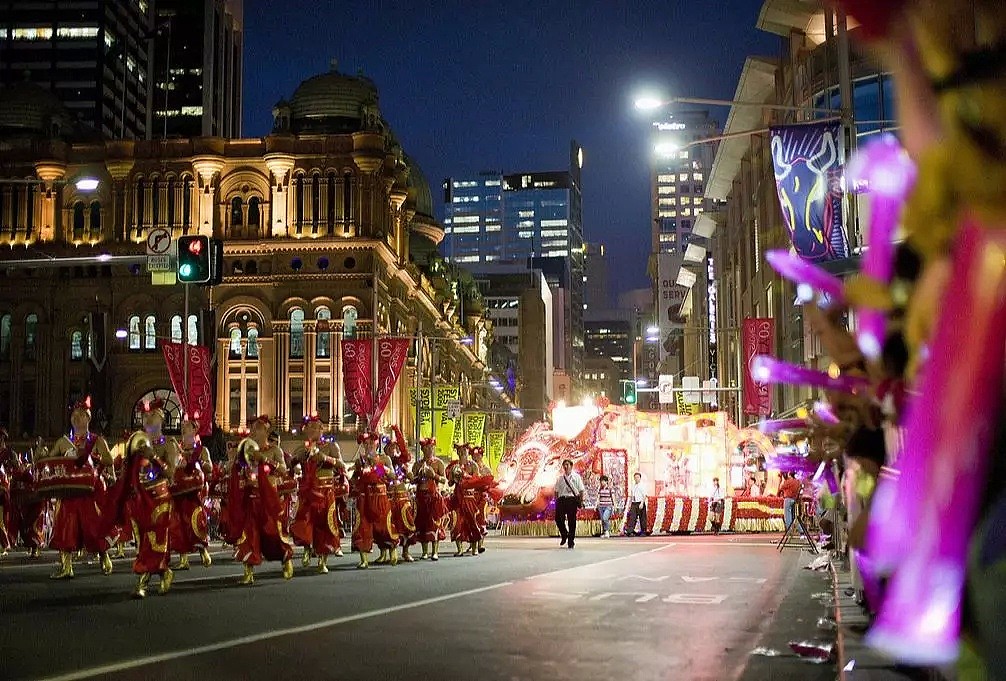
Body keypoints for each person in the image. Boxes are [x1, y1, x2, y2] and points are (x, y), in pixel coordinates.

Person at [45, 397, 115, 579]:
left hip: (90, 490)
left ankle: (103, 555)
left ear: (88, 418)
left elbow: (109, 460)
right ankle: (66, 566)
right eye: (74, 415)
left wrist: (92, 458)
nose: (76, 418)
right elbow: (50, 462)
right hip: (69, 490)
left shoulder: (96, 440)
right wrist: (44, 456)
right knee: (65, 526)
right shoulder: (63, 442)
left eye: (81, 415)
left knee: (93, 526)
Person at [103, 431, 174, 599]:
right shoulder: (139, 441)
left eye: (153, 416)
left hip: (160, 500)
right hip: (140, 500)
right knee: (142, 543)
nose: (149, 419)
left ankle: (143, 581)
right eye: (146, 416)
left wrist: (155, 457)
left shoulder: (169, 444)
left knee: (156, 542)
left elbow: (170, 472)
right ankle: (163, 573)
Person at [228, 436, 295, 585]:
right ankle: (248, 572)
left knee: (272, 535)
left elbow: (284, 470)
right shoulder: (245, 451)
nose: (255, 431)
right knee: (248, 536)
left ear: (265, 431)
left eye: (259, 428)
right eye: (253, 429)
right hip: (250, 501)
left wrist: (265, 460)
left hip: (267, 500)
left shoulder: (274, 450)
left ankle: (286, 559)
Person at [290, 415, 344, 574]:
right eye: (310, 427)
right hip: (308, 491)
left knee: (325, 525)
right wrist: (297, 460)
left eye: (316, 427)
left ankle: (322, 560)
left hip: (326, 490)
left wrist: (325, 458)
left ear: (322, 429)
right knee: (304, 521)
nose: (312, 430)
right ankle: (307, 548)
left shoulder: (331, 446)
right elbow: (290, 464)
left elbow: (341, 465)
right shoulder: (301, 448)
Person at [168, 418, 212, 571]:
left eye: (186, 427)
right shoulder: (177, 448)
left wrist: (200, 462)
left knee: (195, 520)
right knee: (178, 524)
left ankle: (203, 550)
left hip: (193, 490)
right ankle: (183, 558)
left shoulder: (201, 450)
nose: (183, 429)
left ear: (194, 430)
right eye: (182, 427)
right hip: (178, 490)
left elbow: (209, 468)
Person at [411, 437, 447, 560]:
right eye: (426, 448)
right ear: (422, 449)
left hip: (434, 496)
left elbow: (444, 480)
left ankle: (435, 551)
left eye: (431, 447)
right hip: (421, 496)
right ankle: (424, 552)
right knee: (422, 524)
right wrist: (417, 476)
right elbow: (412, 480)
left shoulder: (438, 463)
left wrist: (434, 475)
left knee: (434, 523)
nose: (429, 450)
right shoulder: (418, 464)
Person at [553, 459, 585, 549]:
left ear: (571, 465)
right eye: (564, 465)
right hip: (562, 500)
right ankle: (564, 534)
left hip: (572, 500)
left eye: (567, 464)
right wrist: (556, 501)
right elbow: (556, 491)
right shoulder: (560, 478)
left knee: (572, 520)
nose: (565, 467)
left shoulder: (576, 477)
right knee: (558, 519)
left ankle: (571, 541)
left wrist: (581, 501)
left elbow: (581, 490)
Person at [624, 472, 648, 536]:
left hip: (640, 502)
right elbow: (632, 495)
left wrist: (642, 503)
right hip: (634, 503)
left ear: (640, 478)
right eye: (635, 477)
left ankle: (643, 531)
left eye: (638, 477)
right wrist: (630, 504)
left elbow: (645, 495)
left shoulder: (642, 485)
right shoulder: (633, 486)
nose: (636, 479)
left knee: (642, 518)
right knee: (632, 517)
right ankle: (630, 531)